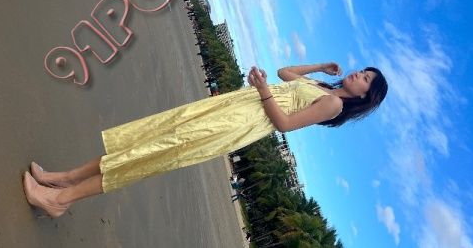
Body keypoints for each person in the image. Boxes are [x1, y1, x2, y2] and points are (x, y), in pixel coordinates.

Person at [22, 62, 388, 218]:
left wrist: (263, 90)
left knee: (151, 154)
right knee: (152, 136)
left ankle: (61, 199)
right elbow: (284, 72)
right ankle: (63, 179)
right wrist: (320, 66)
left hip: (237, 124)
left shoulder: (334, 105)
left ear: (365, 96)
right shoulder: (322, 87)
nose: (360, 74)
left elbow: (285, 124)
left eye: (366, 80)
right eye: (364, 71)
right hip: (230, 108)